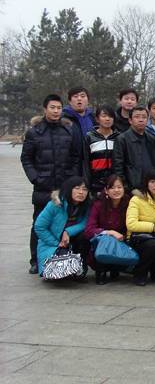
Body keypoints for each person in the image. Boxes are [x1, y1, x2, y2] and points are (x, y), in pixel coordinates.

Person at [22, 94, 82, 274]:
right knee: (39, 223)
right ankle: (35, 260)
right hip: (43, 187)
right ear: (45, 109)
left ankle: (62, 255)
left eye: (59, 108)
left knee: (64, 223)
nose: (56, 111)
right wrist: (36, 178)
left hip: (64, 186)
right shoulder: (34, 132)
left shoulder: (68, 129)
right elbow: (26, 158)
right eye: (52, 107)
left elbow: (75, 156)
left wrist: (71, 179)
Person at [34, 176, 91, 279]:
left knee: (85, 236)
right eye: (77, 188)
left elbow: (85, 223)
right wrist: (57, 243)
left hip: (72, 240)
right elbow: (39, 226)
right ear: (69, 189)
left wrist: (68, 232)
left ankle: (82, 267)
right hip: (53, 243)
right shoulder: (55, 204)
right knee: (60, 269)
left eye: (84, 189)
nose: (81, 192)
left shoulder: (86, 206)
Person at [126, 168, 155, 286]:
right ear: (146, 183)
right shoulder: (136, 199)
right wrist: (154, 227)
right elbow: (131, 224)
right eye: (152, 182)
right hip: (138, 239)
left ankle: (154, 271)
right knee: (154, 245)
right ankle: (140, 273)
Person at [84, 174, 131, 284]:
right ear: (106, 190)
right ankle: (101, 271)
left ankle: (117, 268)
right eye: (112, 188)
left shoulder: (129, 203)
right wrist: (110, 232)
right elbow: (89, 230)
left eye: (119, 187)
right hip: (102, 243)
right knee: (102, 241)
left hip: (122, 241)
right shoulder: (98, 205)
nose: (116, 190)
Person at [113, 106, 155, 191]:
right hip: (132, 187)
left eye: (144, 117)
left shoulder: (151, 138)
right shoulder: (122, 139)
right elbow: (118, 167)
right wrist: (126, 187)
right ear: (130, 120)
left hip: (151, 185)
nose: (141, 120)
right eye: (137, 117)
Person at [83, 105, 119, 194]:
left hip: (115, 184)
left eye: (110, 116)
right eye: (104, 116)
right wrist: (87, 184)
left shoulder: (119, 137)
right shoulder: (89, 137)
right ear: (97, 119)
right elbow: (85, 162)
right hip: (95, 184)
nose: (107, 119)